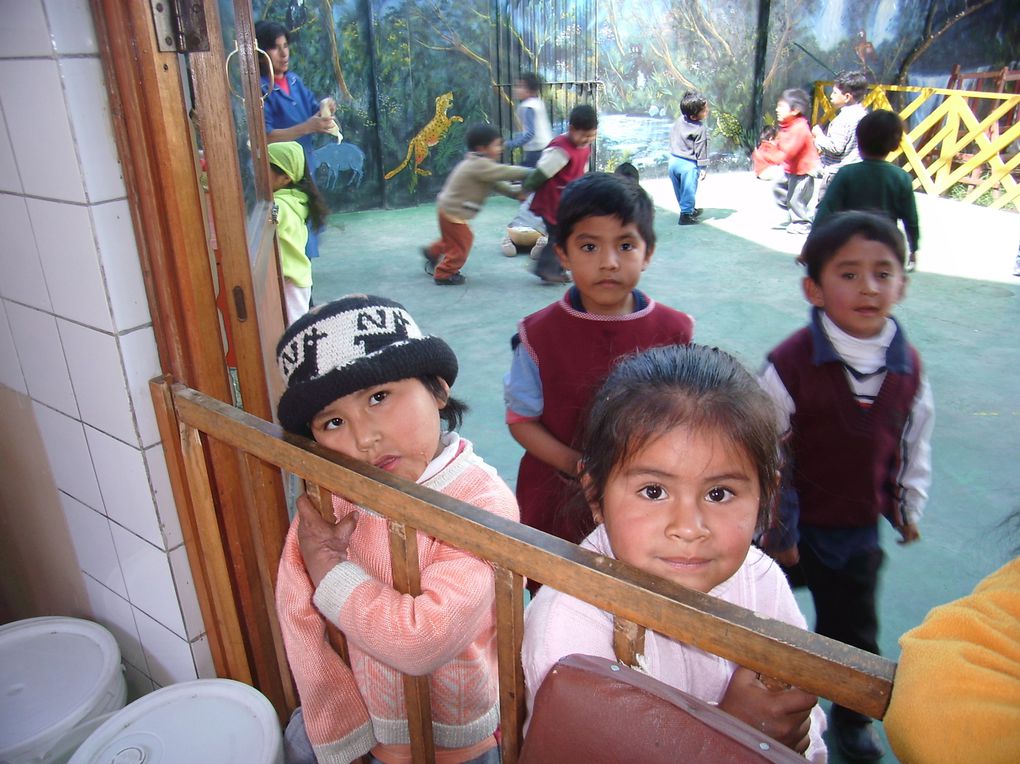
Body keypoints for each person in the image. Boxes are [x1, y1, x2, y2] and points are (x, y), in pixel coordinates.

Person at [521, 344, 827, 761]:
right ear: (596, 494)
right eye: (654, 491)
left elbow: (804, 721)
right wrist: (727, 735)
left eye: (719, 494)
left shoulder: (760, 578)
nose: (687, 527)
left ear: (764, 497)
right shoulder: (570, 621)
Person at [274, 295, 519, 764]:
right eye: (334, 421)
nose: (364, 438)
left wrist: (330, 572)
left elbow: (423, 640)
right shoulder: (334, 492)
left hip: (454, 739)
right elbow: (296, 612)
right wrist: (336, 722)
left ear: (438, 391)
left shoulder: (482, 506)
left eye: (380, 398)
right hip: (363, 721)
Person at [758, 211, 935, 761]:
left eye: (884, 273)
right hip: (788, 527)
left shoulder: (908, 369)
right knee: (767, 618)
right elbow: (768, 452)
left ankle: (851, 720)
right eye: (849, 273)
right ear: (814, 287)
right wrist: (777, 531)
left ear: (902, 283)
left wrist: (908, 504)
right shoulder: (787, 365)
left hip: (856, 527)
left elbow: (913, 440)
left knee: (852, 630)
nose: (869, 287)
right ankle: (763, 703)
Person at [504, 173, 695, 561]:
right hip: (558, 496)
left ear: (648, 252)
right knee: (560, 593)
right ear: (562, 255)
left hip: (650, 500)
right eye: (589, 246)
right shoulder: (537, 334)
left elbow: (688, 418)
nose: (608, 263)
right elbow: (521, 420)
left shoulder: (675, 330)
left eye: (625, 245)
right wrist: (578, 465)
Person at [883, 518, 1020, 763]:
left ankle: (851, 721)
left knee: (855, 614)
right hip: (827, 527)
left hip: (856, 530)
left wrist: (905, 513)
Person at [256, 20, 338, 261]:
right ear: (261, 54)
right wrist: (307, 126)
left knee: (308, 224)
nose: (284, 54)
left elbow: (313, 111)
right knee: (291, 230)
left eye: (286, 46)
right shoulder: (260, 90)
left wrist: (326, 107)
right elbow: (265, 135)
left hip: (304, 168)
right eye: (275, 48)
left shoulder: (293, 80)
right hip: (281, 175)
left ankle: (306, 284)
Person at [422, 123, 531, 285]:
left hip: (447, 209)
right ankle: (444, 273)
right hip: (453, 213)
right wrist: (533, 172)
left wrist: (517, 193)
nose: (500, 149)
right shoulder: (480, 165)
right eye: (496, 145)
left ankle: (433, 252)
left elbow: (500, 185)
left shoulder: (478, 166)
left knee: (452, 239)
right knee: (463, 241)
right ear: (481, 149)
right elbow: (505, 172)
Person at [815, 110, 920, 272]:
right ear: (895, 144)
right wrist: (914, 249)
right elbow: (911, 219)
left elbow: (826, 210)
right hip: (885, 245)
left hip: (848, 244)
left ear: (859, 140)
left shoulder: (846, 174)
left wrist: (811, 245)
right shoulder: (901, 178)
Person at [520, 104, 599, 284]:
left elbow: (581, 170)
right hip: (552, 202)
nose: (587, 139)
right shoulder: (560, 150)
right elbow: (542, 172)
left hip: (566, 202)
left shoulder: (585, 147)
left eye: (591, 135)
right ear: (571, 129)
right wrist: (526, 189)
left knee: (565, 236)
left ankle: (556, 268)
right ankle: (546, 269)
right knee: (559, 236)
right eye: (584, 135)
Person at [267, 141, 329, 325]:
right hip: (296, 279)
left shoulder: (280, 205)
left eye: (265, 170)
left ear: (285, 178)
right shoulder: (294, 198)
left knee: (294, 335)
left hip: (290, 282)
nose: (257, 175)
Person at [772, 88, 820, 235]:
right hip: (791, 169)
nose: (777, 109)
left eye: (781, 106)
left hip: (803, 171)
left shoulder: (800, 127)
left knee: (796, 198)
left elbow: (791, 150)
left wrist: (774, 156)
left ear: (795, 110)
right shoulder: (788, 125)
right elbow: (781, 143)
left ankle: (802, 222)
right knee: (779, 189)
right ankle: (793, 210)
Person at [812, 70, 869, 191]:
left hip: (836, 175)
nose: (831, 96)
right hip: (856, 172)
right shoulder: (863, 115)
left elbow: (836, 148)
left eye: (834, 92)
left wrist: (818, 136)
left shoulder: (843, 119)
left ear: (847, 97)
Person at [668, 91, 709, 225]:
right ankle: (685, 215)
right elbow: (701, 148)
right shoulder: (700, 128)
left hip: (673, 161)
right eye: (704, 110)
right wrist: (702, 167)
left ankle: (688, 209)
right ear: (693, 116)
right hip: (688, 165)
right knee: (689, 189)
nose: (707, 111)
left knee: (680, 189)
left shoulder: (680, 120)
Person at [504, 72, 553, 168]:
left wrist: (511, 144)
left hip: (536, 151)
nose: (516, 89)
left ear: (531, 90)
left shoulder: (528, 106)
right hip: (545, 147)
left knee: (529, 179)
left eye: (521, 86)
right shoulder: (538, 103)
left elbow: (530, 133)